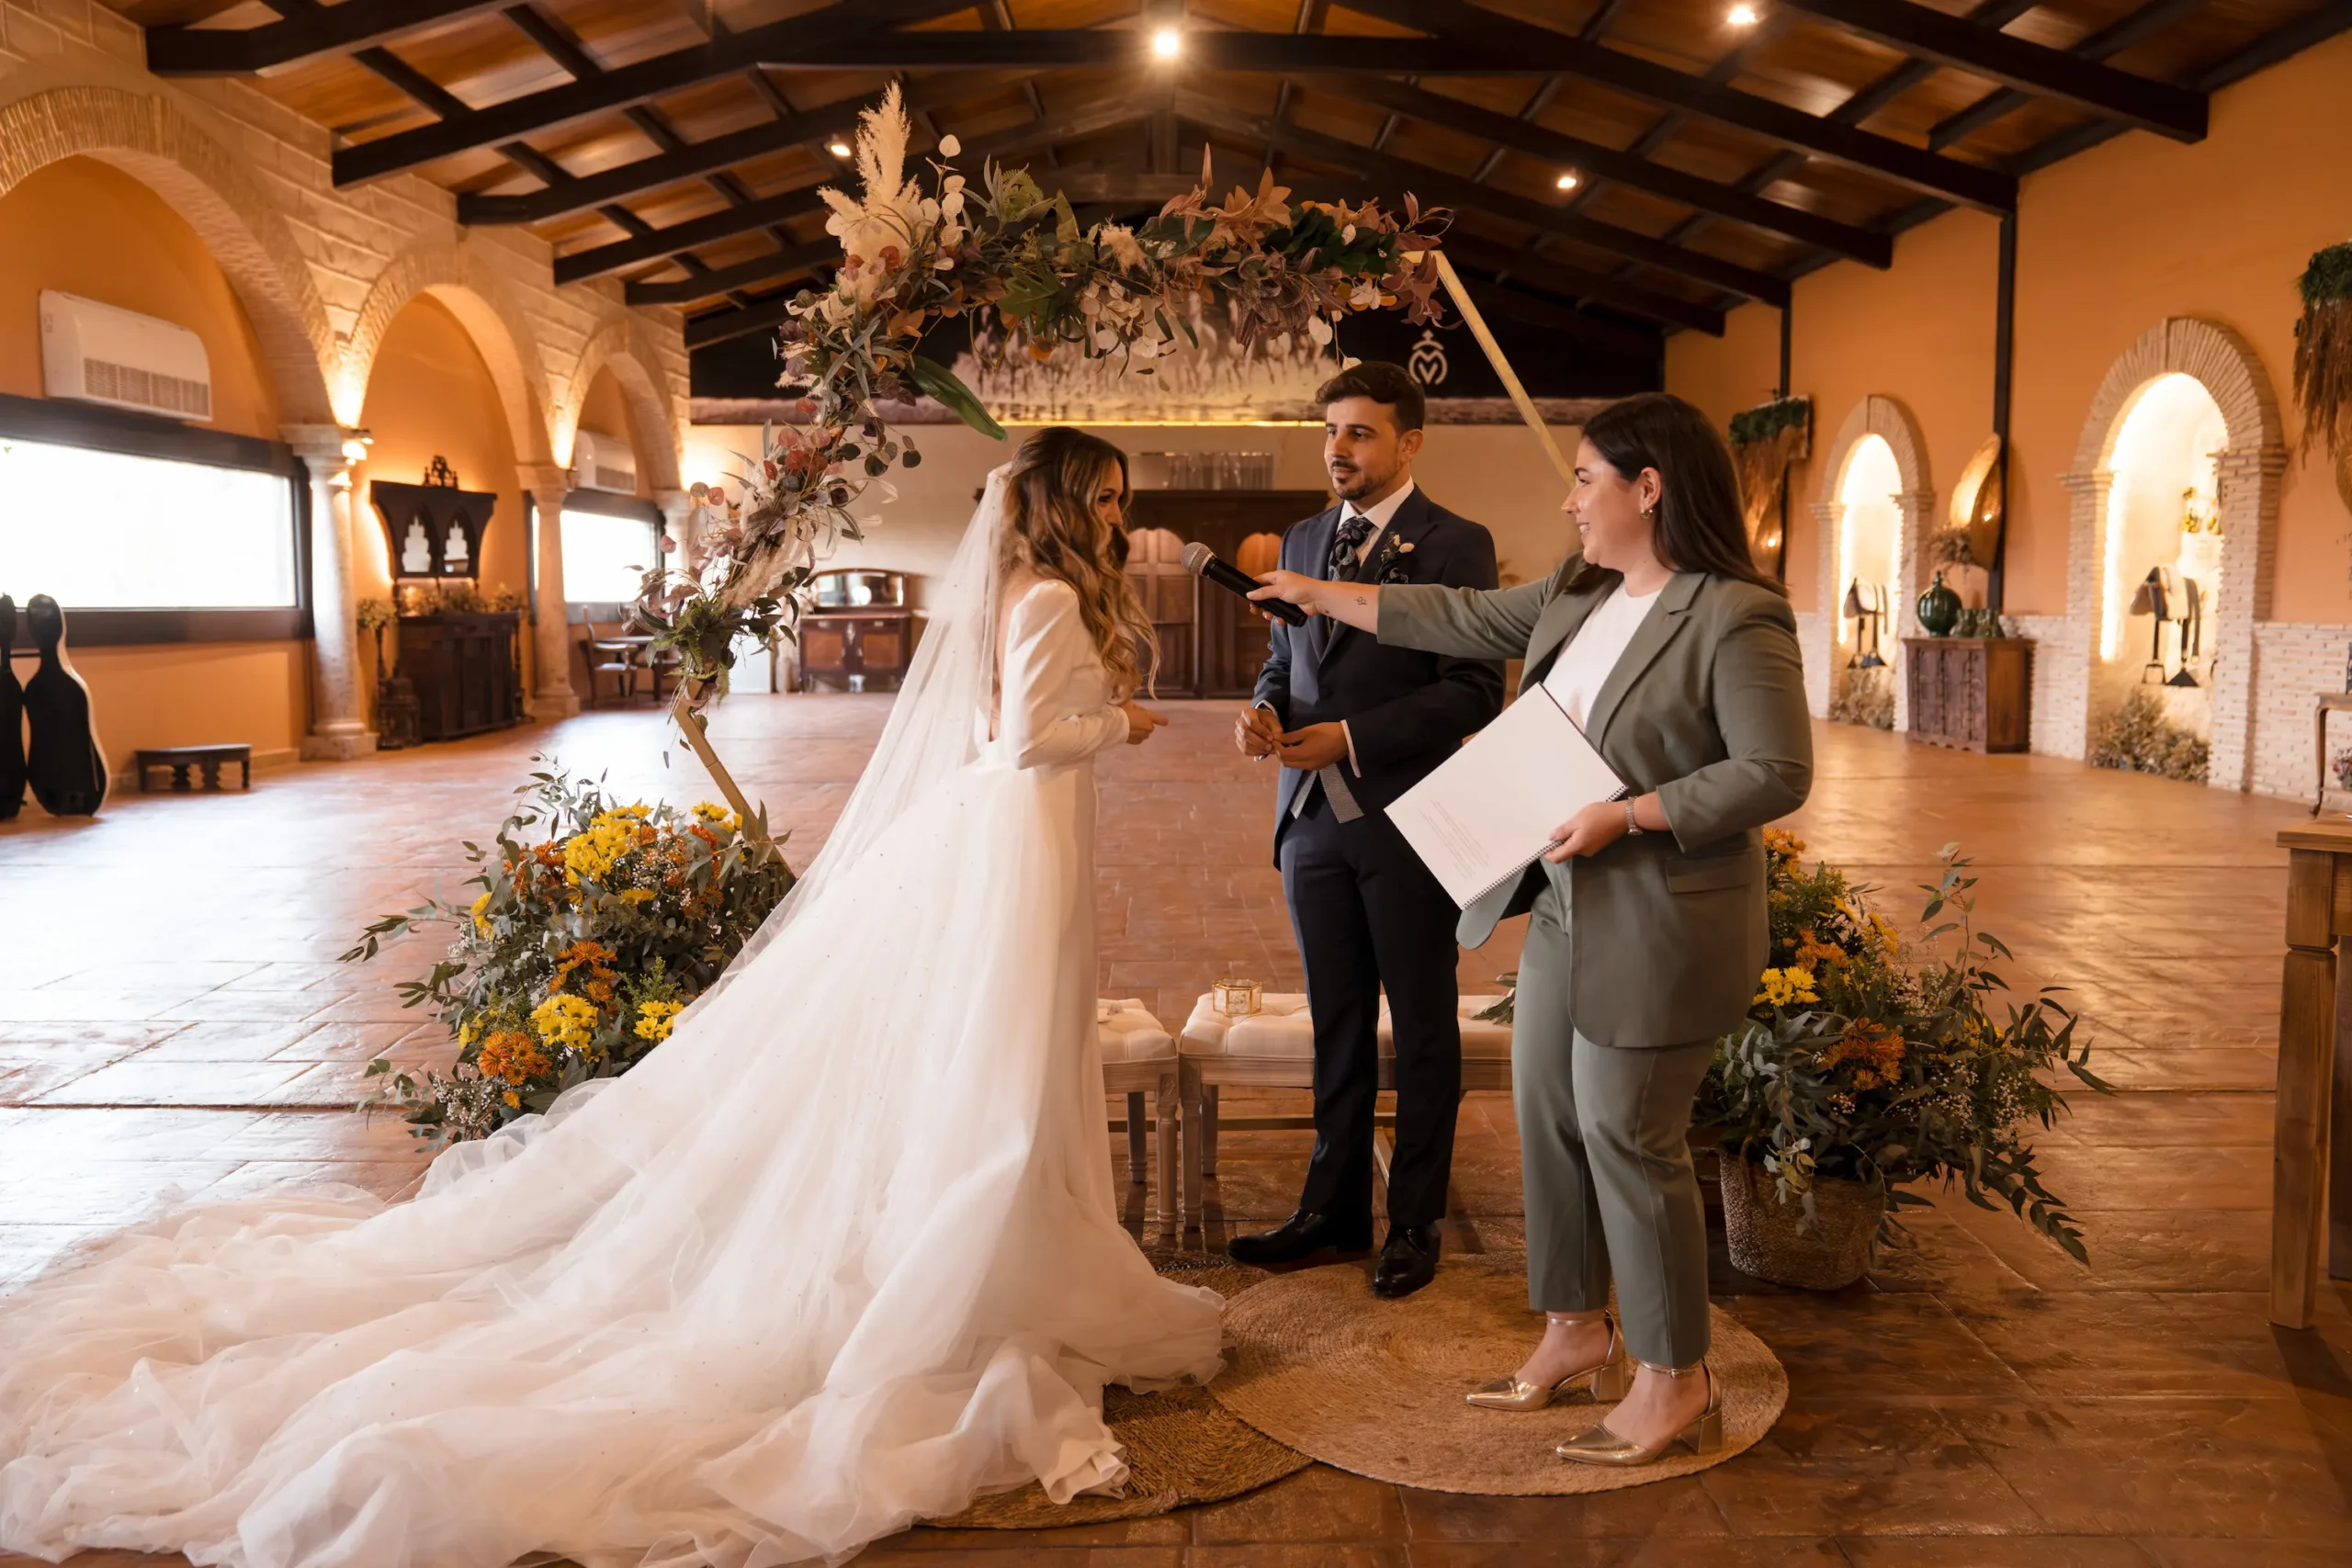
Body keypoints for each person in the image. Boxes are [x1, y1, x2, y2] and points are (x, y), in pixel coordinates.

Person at [0, 427, 1225, 1566]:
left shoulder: (1017, 590)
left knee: (992, 1047)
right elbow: (1024, 741)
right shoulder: (1054, 595)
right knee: (1010, 1051)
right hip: (1023, 839)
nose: (1118, 515)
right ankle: (994, 1248)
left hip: (1006, 845)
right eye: (1105, 496)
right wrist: (1123, 718)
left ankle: (1004, 1236)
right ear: (1061, 504)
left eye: (1122, 498)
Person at [1250, 391, 1811, 1467]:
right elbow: (1457, 618)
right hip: (1563, 906)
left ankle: (1671, 1376)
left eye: (1587, 479)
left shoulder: (1734, 613)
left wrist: (1632, 813)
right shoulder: (1582, 588)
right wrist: (1315, 588)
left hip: (1657, 915)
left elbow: (1775, 771)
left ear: (1650, 489)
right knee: (1549, 1120)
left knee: (1627, 1137)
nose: (1570, 501)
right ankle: (1571, 1329)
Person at [1227, 362, 1505, 1299]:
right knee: (1336, 1023)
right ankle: (1332, 1210)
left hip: (1406, 822)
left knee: (1422, 1025)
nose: (1337, 450)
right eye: (1330, 432)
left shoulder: (1454, 544)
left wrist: (1349, 736)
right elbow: (1283, 655)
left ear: (1410, 441)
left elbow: (1472, 688)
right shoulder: (1305, 536)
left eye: (1359, 433)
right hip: (1308, 824)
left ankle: (1415, 1221)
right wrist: (1263, 710)